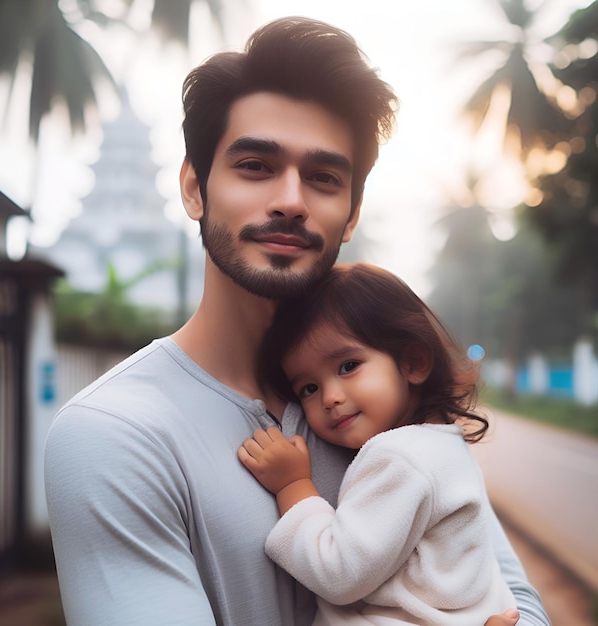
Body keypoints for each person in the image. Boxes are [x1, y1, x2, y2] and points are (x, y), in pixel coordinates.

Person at [44, 16, 549, 626]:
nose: (291, 199)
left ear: (352, 212)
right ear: (195, 188)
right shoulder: (115, 434)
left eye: (323, 177)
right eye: (256, 165)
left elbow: (514, 604)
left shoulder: (394, 419)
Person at [238, 262, 517, 625]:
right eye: (309, 387)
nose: (330, 397)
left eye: (348, 365)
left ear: (413, 362)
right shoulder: (443, 446)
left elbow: (337, 573)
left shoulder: (399, 457)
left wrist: (294, 486)